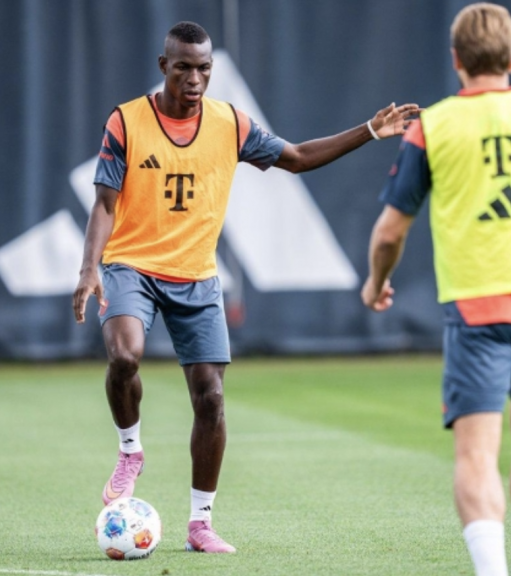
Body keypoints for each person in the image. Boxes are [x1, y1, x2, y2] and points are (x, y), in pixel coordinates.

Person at [71, 21, 417, 554]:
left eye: (203, 68)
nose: (194, 78)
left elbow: (297, 158)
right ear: (164, 66)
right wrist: (88, 268)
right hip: (131, 265)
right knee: (124, 357)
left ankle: (200, 523)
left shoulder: (230, 124)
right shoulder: (126, 121)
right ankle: (130, 449)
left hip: (196, 274)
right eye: (183, 67)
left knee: (210, 396)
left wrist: (369, 130)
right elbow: (103, 203)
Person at [360, 4, 511, 575]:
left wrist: (376, 284)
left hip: (479, 305)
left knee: (476, 452)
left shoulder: (433, 127)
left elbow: (389, 232)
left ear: (456, 59)